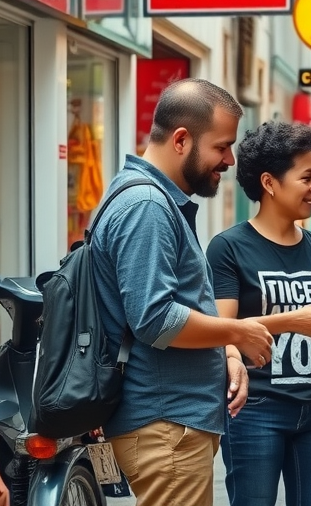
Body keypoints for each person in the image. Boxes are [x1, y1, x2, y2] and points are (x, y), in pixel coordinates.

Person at [93, 79, 274, 506]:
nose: (229, 160)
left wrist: (227, 351)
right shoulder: (147, 206)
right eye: (221, 146)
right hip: (166, 426)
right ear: (181, 140)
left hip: (171, 424)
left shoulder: (148, 197)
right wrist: (237, 332)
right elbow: (156, 319)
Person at [207, 120, 311, 506]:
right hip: (256, 408)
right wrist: (294, 321)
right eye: (306, 177)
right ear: (270, 183)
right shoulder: (229, 248)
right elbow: (224, 331)